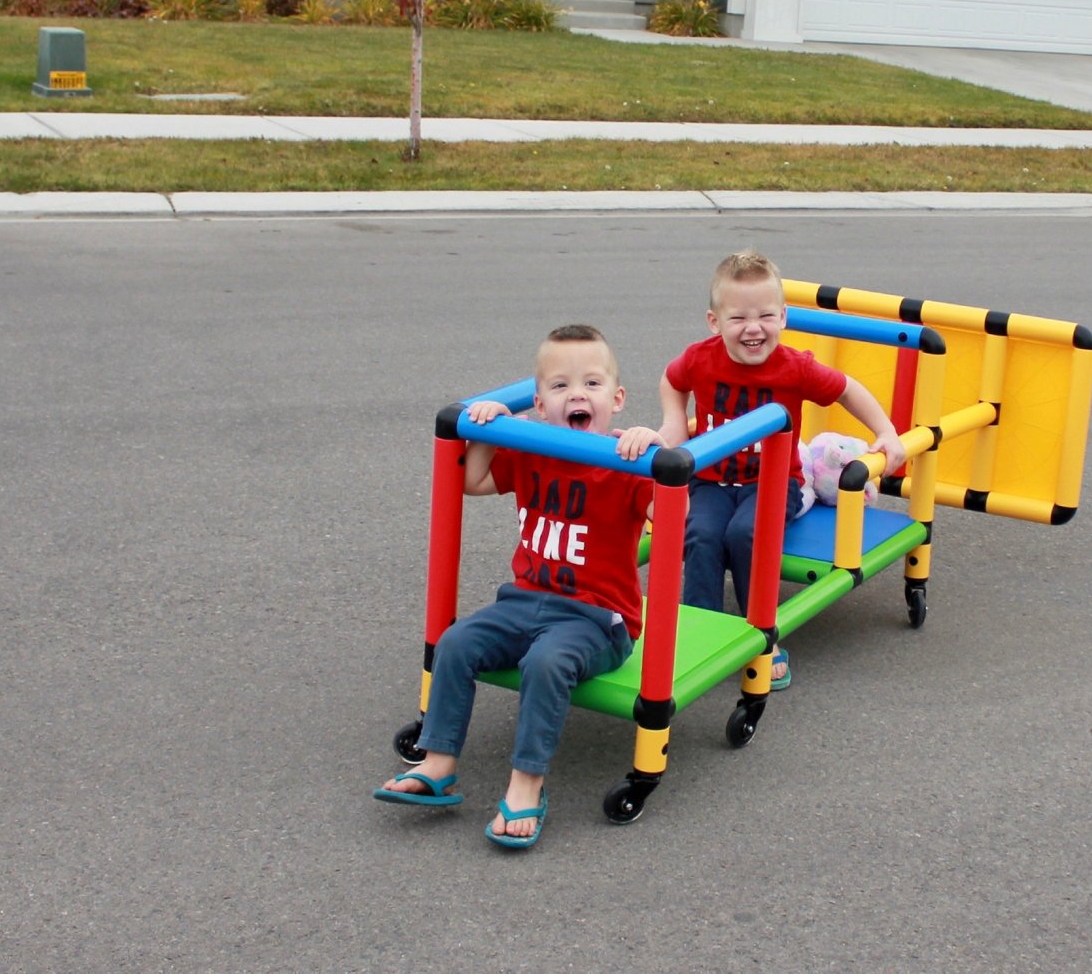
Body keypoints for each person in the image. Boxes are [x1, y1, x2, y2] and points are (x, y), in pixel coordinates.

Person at [374, 325, 664, 850]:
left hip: (597, 619)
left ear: (616, 400)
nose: (577, 394)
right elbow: (473, 481)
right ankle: (438, 763)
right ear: (539, 403)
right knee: (457, 642)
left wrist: (653, 447)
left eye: (592, 383)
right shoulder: (531, 449)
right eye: (559, 386)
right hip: (524, 601)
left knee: (546, 663)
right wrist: (487, 429)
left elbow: (666, 523)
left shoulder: (626, 463)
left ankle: (527, 785)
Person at [623, 250, 905, 691]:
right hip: (711, 481)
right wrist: (672, 425)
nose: (753, 328)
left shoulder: (795, 367)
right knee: (698, 535)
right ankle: (703, 630)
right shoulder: (700, 359)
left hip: (775, 482)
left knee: (745, 533)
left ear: (784, 316)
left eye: (765, 316)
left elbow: (847, 389)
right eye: (738, 318)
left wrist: (887, 432)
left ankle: (762, 636)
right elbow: (673, 380)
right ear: (715, 322)